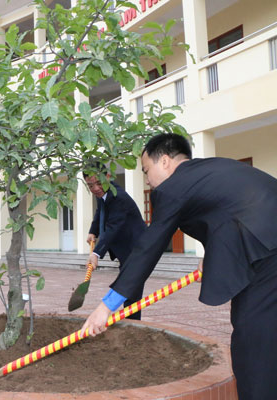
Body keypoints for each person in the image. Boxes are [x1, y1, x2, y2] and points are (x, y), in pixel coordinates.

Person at [81, 133, 277, 399]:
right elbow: (229, 213)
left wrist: (107, 305)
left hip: (268, 254)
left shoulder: (173, 187)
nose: (148, 180)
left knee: (253, 341)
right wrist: (213, 255)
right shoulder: (208, 171)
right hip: (266, 242)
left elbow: (148, 248)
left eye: (147, 170)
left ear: (164, 161)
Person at [84, 169, 146, 319]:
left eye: (99, 183)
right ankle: (132, 324)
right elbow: (100, 212)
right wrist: (93, 232)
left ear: (108, 176)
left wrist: (96, 253)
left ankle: (133, 325)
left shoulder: (119, 197)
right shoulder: (104, 195)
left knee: (130, 288)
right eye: (91, 186)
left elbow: (113, 227)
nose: (96, 189)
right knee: (129, 286)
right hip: (126, 249)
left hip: (138, 248)